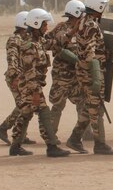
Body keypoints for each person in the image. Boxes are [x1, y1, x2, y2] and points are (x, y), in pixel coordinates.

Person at [9, 9, 70, 157]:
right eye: (44, 25)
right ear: (35, 23)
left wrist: (71, 31)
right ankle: (52, 146)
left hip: (31, 86)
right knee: (44, 112)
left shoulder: (39, 41)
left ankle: (15, 146)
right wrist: (36, 92)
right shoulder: (29, 45)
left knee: (25, 114)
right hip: (30, 86)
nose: (46, 28)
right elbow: (30, 73)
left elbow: (54, 43)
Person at [65, 0, 113, 155]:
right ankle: (100, 144)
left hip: (84, 71)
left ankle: (74, 139)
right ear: (99, 6)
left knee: (89, 108)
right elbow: (89, 53)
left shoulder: (82, 21)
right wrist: (96, 77)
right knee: (96, 109)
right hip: (91, 72)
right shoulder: (92, 25)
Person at [44, 0, 84, 142]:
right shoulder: (62, 28)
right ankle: (50, 134)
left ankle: (85, 132)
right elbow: (48, 42)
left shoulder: (83, 29)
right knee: (58, 104)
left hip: (77, 75)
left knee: (82, 102)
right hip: (62, 75)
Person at [0, 11, 34, 146]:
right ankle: (3, 128)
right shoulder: (14, 40)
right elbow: (12, 59)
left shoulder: (23, 39)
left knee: (25, 105)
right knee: (23, 105)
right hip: (15, 77)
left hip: (22, 77)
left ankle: (21, 134)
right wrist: (14, 76)